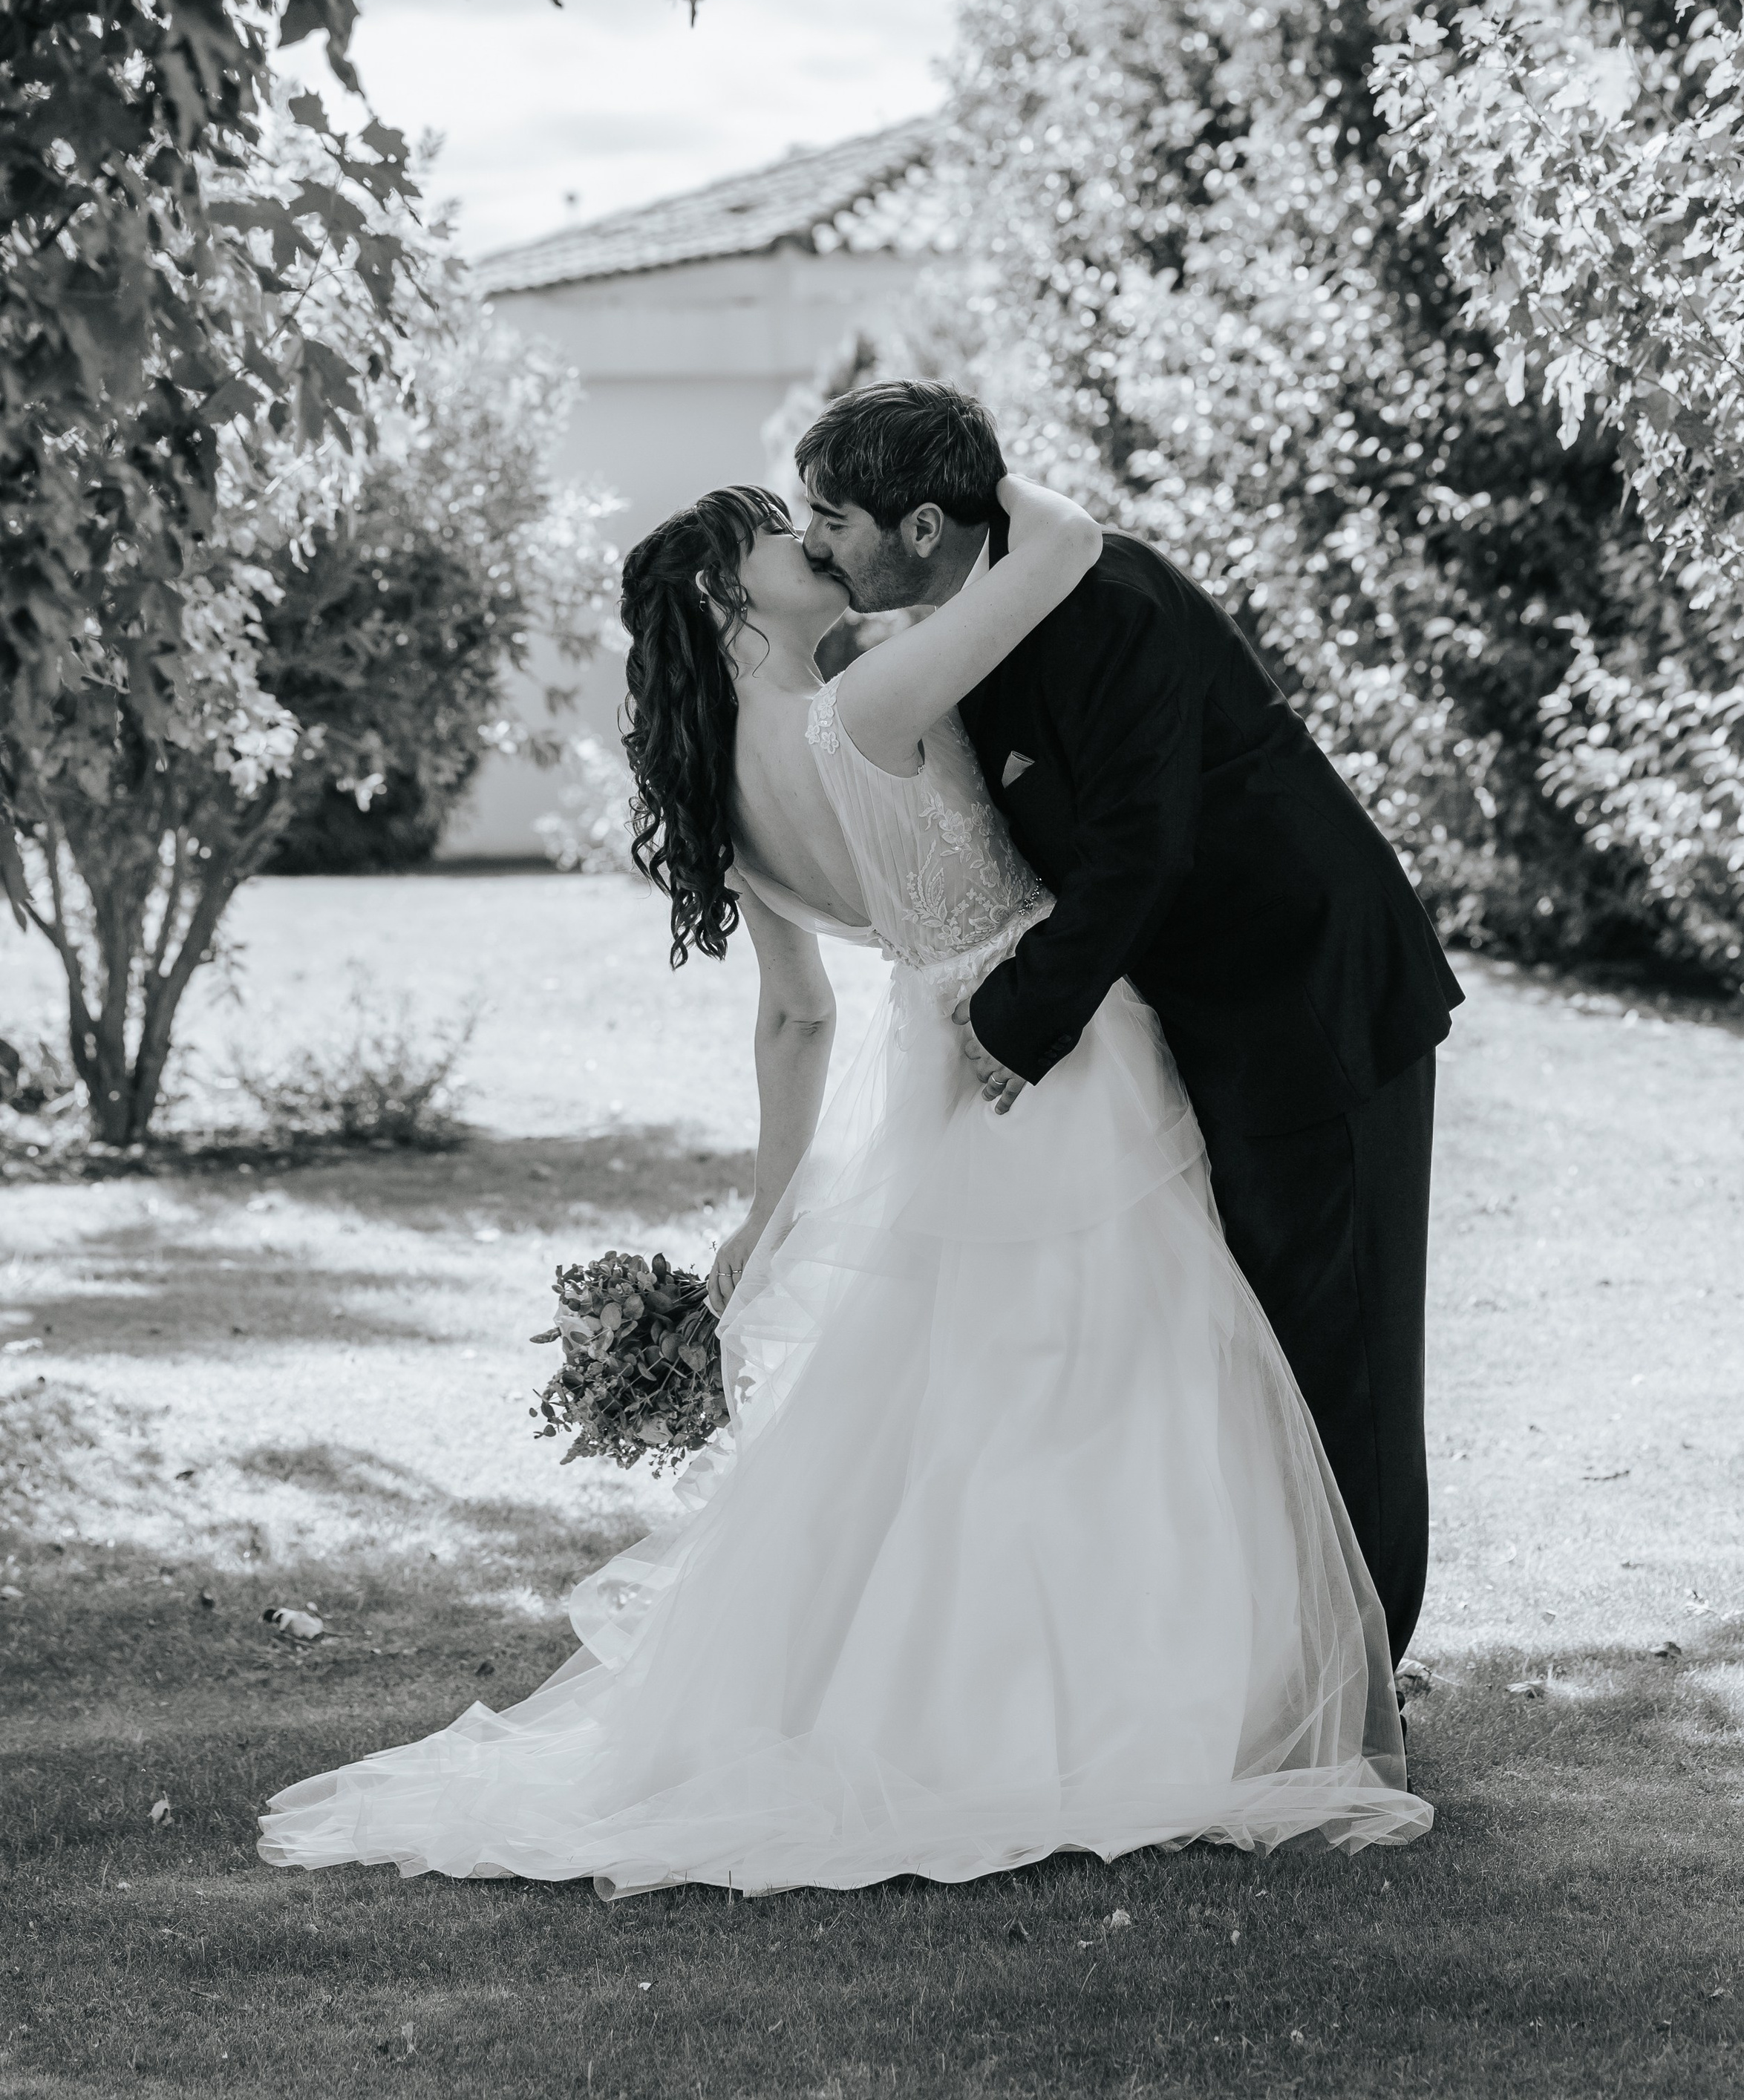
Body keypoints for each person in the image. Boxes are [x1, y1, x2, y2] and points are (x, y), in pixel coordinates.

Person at [259, 431, 1428, 1897]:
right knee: (1116, 1374)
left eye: (814, 520)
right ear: (723, 599)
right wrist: (1007, 494)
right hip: (1048, 1038)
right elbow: (1052, 554)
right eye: (774, 533)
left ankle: (994, 1688)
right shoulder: (876, 693)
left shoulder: (727, 797)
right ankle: (1179, 1691)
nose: (805, 538)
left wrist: (767, 1209)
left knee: (973, 1398)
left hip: (934, 1058)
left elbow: (796, 1013)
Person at [798, 384, 1462, 1669]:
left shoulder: (1110, 606)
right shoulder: (974, 617)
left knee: (1345, 1360)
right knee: (1252, 1348)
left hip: (1307, 1003)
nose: (816, 543)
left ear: (925, 523)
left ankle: (1365, 1688)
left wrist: (1009, 1021)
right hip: (1198, 1016)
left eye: (832, 518)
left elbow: (1141, 851)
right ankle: (1275, 1664)